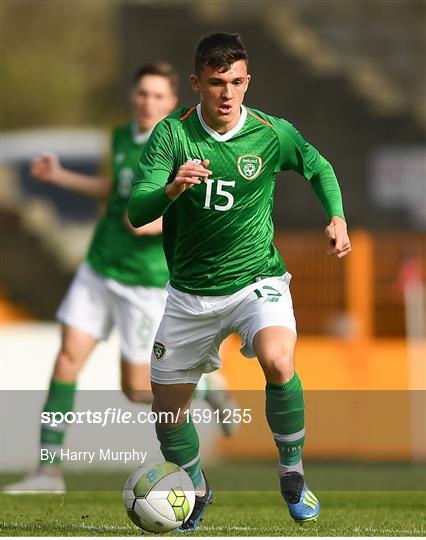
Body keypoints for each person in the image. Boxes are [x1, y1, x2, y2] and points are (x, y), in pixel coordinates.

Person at [128, 33, 351, 530]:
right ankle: (194, 483)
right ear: (196, 84)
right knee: (167, 412)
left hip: (256, 282)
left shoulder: (273, 133)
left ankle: (292, 473)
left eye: (236, 82)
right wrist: (171, 187)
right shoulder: (172, 135)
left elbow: (318, 167)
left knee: (277, 358)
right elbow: (138, 210)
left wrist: (336, 217)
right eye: (215, 83)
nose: (227, 94)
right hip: (189, 294)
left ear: (247, 81)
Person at [4, 62, 234, 495]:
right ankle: (47, 472)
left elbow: (206, 212)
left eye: (157, 96)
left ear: (173, 101)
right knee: (66, 360)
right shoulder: (119, 137)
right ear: (133, 97)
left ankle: (204, 384)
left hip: (145, 281)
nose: (148, 103)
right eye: (141, 94)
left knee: (134, 389)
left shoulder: (185, 145)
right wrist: (61, 177)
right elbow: (117, 189)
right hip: (100, 265)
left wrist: (157, 223)